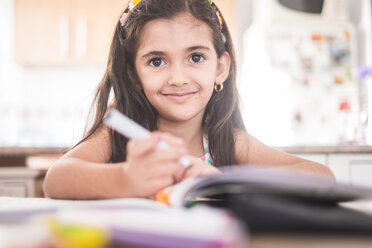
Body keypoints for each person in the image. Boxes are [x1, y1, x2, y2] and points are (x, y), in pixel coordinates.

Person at [43, 0, 334, 200]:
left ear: (220, 68)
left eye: (195, 57)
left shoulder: (227, 143)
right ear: (134, 75)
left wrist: (222, 180)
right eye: (157, 61)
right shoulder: (118, 135)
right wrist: (127, 178)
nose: (178, 78)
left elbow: (321, 177)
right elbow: (56, 180)